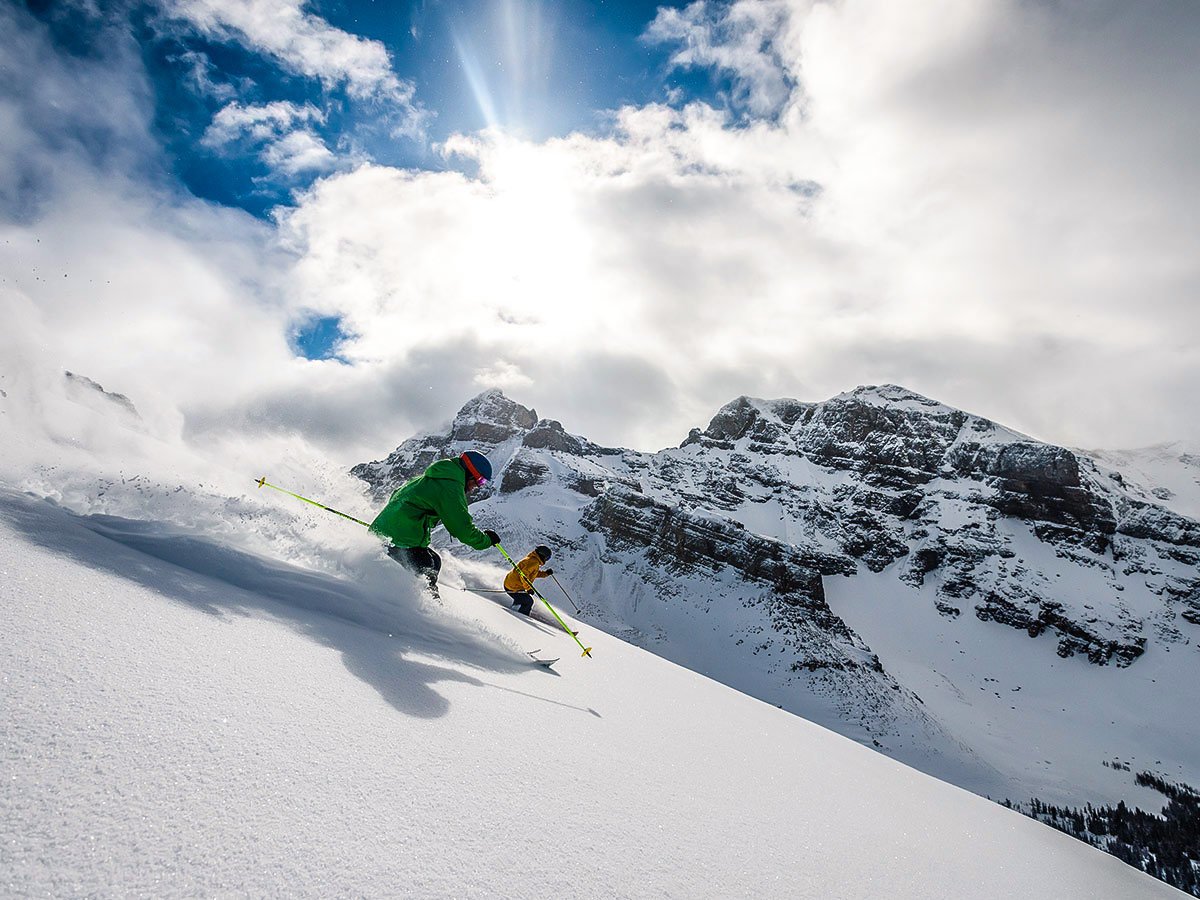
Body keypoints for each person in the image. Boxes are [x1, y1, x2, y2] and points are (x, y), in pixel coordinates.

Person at [369, 450, 500, 598]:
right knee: (426, 569)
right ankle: (421, 609)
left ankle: (417, 598)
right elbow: (461, 528)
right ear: (470, 473)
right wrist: (486, 540)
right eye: (480, 480)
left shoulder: (437, 475)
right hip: (399, 537)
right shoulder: (450, 486)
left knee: (435, 561)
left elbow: (396, 494)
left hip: (387, 530)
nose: (478, 486)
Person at [504, 544, 553, 616]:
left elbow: (533, 573)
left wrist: (545, 574)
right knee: (528, 602)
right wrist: (528, 588)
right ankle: (521, 617)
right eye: (547, 558)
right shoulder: (533, 562)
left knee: (522, 599)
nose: (546, 560)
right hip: (513, 587)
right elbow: (523, 576)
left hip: (511, 584)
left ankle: (515, 609)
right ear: (542, 555)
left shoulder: (533, 560)